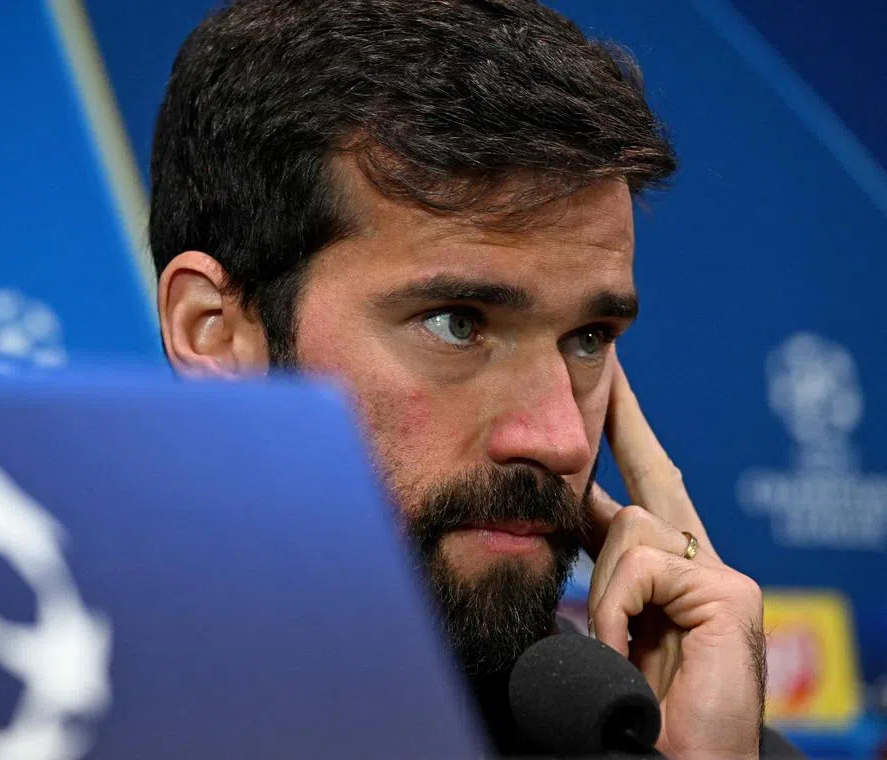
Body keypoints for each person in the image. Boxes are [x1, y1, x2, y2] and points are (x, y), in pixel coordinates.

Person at [148, 1, 796, 756]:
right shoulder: (26, 706)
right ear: (214, 334)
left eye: (588, 338)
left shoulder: (668, 742)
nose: (558, 440)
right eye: (457, 323)